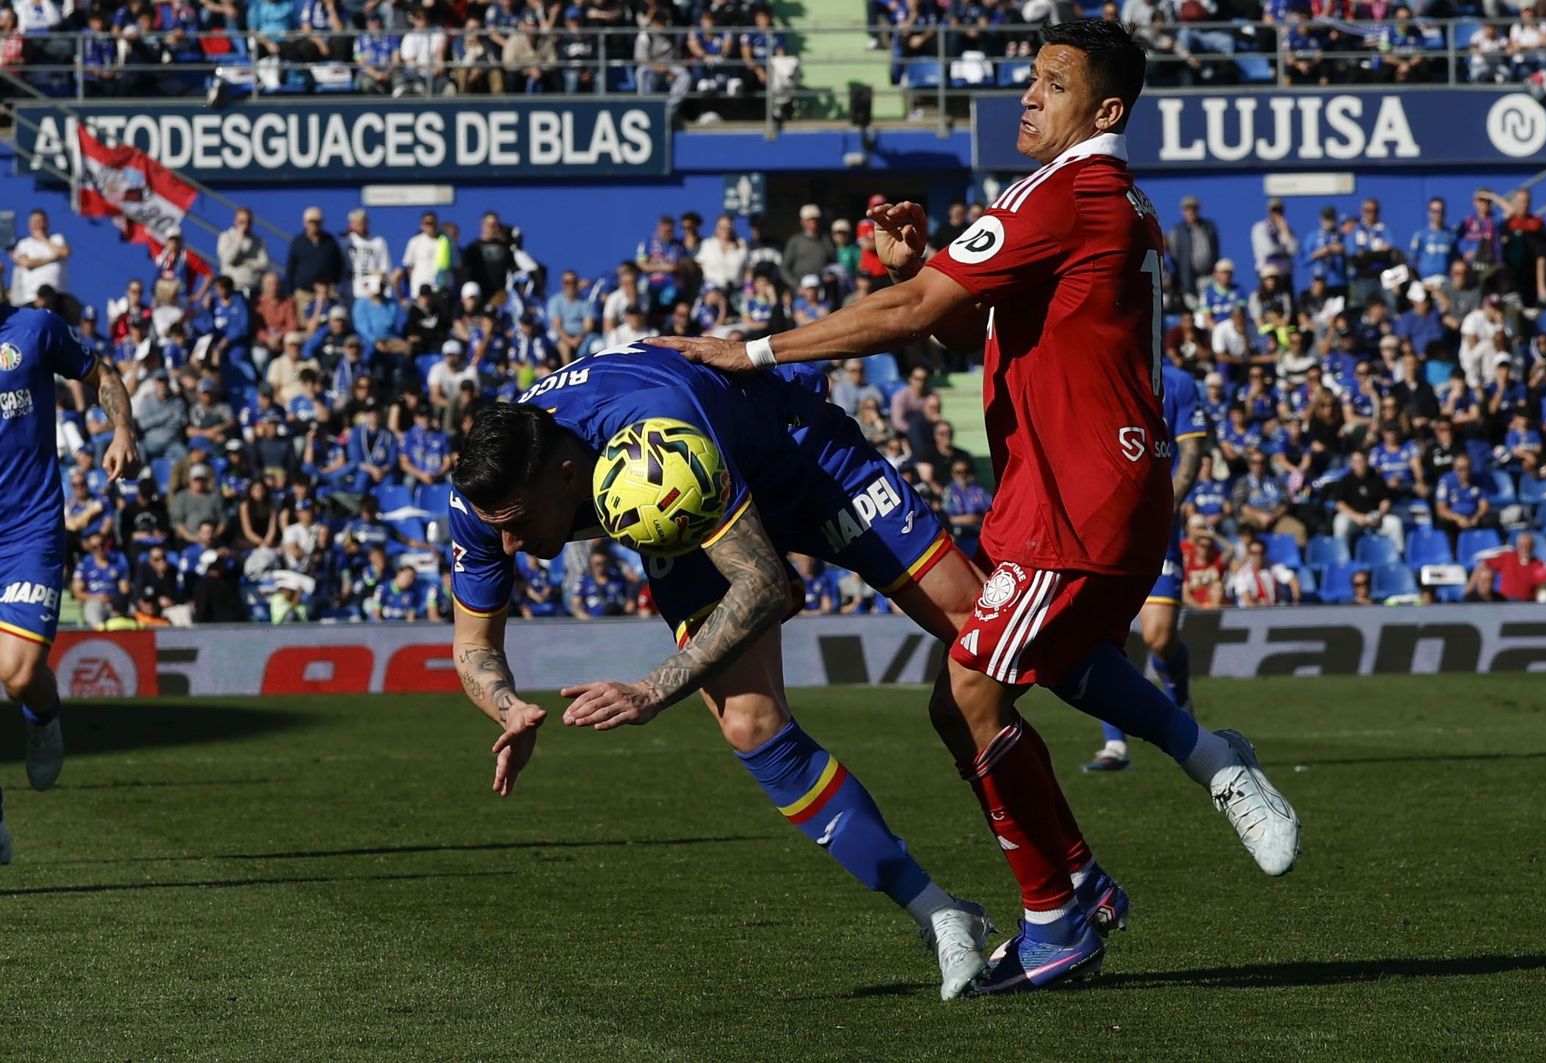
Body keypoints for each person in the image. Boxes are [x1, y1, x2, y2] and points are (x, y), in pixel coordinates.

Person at [657, 19, 1300, 993]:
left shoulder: (1062, 192)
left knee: (969, 689)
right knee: (1020, 675)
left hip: (1084, 501)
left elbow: (915, 316)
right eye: (1029, 77)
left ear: (1106, 109)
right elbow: (972, 330)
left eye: (1053, 83)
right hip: (1058, 495)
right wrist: (910, 271)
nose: (1027, 96)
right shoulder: (1097, 201)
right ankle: (1151, 815)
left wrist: (745, 351)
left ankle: (1061, 914)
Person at [449, 346, 995, 1000]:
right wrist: (506, 704)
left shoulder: (651, 420)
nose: (508, 546)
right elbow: (473, 645)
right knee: (749, 723)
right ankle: (940, 912)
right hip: (684, 508)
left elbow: (761, 584)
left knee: (983, 629)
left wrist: (653, 689)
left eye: (517, 525)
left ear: (567, 476)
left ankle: (1075, 881)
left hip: (794, 453)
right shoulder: (486, 499)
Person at [0, 302, 138, 865]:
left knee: (17, 673)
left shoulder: (35, 328)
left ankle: (43, 716)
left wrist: (122, 429)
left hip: (27, 531)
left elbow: (104, 374)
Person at [1083, 361, 1207, 772]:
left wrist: (1164, 506)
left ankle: (1181, 700)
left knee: (1159, 637)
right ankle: (1114, 745)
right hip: (1104, 523)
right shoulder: (1097, 372)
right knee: (1099, 636)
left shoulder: (1177, 382)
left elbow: (1192, 452)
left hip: (1157, 525)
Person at [1475, 532, 1546, 602]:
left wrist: (1543, 591)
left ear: (1533, 547)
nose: (1525, 549)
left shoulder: (1538, 565)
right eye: (1522, 545)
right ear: (1517, 546)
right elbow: (1484, 564)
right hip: (1504, 603)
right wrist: (1471, 590)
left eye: (1528, 545)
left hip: (1525, 605)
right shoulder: (1507, 558)